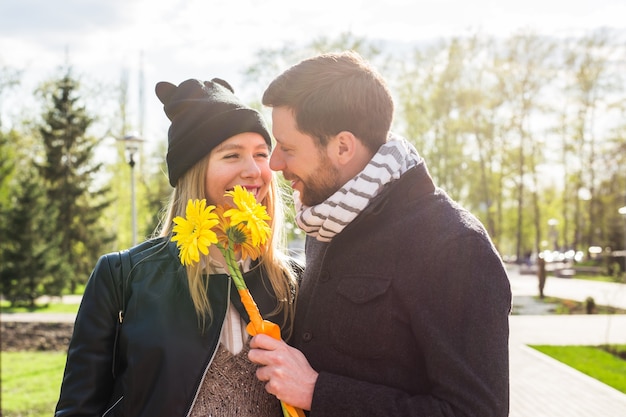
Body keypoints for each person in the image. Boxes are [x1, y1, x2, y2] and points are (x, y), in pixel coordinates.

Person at [248, 51, 512, 417]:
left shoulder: (453, 246)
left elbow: (475, 412)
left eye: (288, 148)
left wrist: (318, 391)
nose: (275, 163)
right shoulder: (326, 223)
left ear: (343, 146)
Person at [55, 78, 300, 417]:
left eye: (261, 154)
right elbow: (78, 407)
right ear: (193, 171)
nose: (254, 170)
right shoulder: (122, 276)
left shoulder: (293, 281)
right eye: (232, 155)